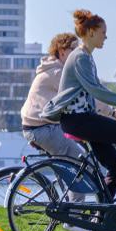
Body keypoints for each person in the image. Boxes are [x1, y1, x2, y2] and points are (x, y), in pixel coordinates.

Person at [49, 9, 116, 205]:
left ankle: (101, 215)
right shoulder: (80, 57)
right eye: (103, 32)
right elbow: (97, 91)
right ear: (91, 32)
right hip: (79, 120)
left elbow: (97, 88)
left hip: (81, 120)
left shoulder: (85, 56)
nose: (106, 36)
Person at [20, 32, 85, 160]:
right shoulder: (58, 73)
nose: (78, 54)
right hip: (43, 128)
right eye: (74, 49)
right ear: (62, 52)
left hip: (39, 127)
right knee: (81, 160)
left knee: (71, 162)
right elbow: (84, 94)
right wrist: (111, 112)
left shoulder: (52, 70)